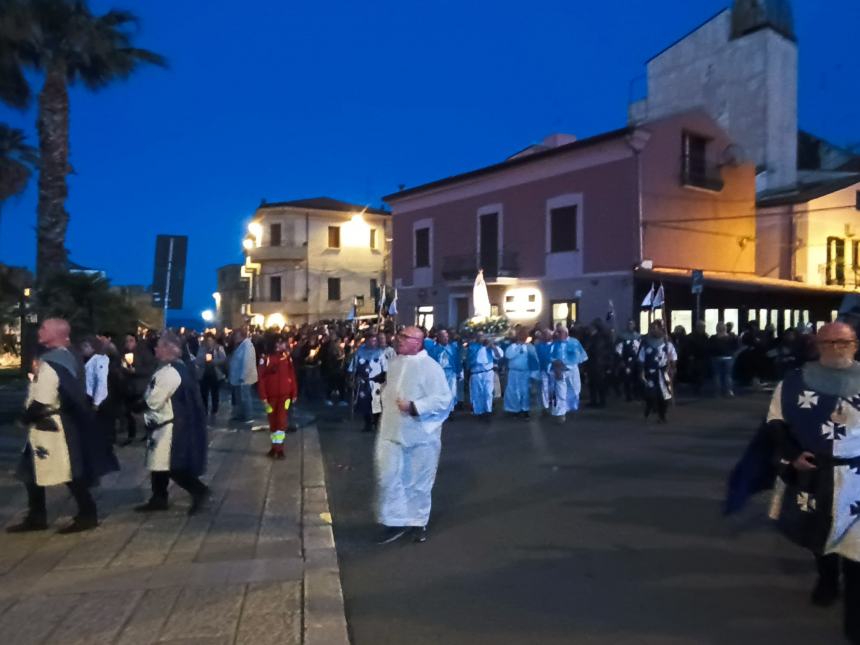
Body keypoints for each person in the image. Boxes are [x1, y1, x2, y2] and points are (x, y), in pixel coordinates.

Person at [764, 322, 860, 644]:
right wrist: (792, 455)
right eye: (829, 341)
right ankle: (827, 579)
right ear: (817, 345)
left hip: (857, 476)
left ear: (855, 345)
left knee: (858, 550)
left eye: (843, 342)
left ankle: (855, 619)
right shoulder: (793, 384)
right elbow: (776, 423)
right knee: (821, 535)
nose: (836, 347)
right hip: (816, 472)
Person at [8, 319, 118, 534]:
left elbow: (43, 398)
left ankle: (87, 514)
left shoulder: (51, 363)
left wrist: (24, 418)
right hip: (56, 423)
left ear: (57, 333)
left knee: (69, 471)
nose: (39, 331)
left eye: (44, 328)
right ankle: (36, 516)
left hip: (50, 426)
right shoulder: (70, 355)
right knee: (30, 472)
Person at [375, 326, 452, 544]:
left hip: (420, 434)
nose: (398, 340)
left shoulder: (430, 367)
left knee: (417, 481)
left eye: (404, 337)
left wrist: (415, 406)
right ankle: (395, 520)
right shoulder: (395, 363)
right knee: (390, 476)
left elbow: (444, 400)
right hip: (392, 431)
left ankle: (417, 522)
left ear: (418, 342)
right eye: (399, 336)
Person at [135, 332, 210, 515]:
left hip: (170, 426)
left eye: (160, 346)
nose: (156, 349)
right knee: (158, 463)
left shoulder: (170, 372)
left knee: (171, 465)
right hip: (166, 423)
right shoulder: (177, 368)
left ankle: (198, 490)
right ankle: (158, 497)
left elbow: (154, 400)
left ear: (170, 348)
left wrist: (136, 407)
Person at [257, 335, 298, 457]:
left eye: (283, 343)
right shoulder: (266, 359)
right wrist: (263, 397)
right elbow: (261, 379)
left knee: (281, 421)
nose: (283, 345)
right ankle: (275, 447)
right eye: (280, 343)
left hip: (285, 397)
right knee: (273, 422)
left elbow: (292, 376)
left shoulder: (287, 358)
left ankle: (279, 448)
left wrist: (294, 393)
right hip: (270, 398)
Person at [638, 321, 677, 422]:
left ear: (660, 329)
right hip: (650, 372)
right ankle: (649, 406)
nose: (653, 330)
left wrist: (672, 367)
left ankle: (662, 414)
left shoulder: (667, 343)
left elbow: (673, 357)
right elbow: (641, 358)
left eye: (656, 328)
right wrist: (641, 370)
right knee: (650, 393)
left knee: (664, 395)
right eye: (652, 328)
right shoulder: (646, 343)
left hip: (664, 372)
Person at [121, 332, 156, 445]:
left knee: (141, 412)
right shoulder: (124, 353)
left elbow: (150, 369)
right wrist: (124, 368)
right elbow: (122, 367)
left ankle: (149, 433)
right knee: (128, 412)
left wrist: (136, 371)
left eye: (131, 340)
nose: (128, 343)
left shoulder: (144, 352)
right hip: (128, 387)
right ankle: (131, 435)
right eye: (126, 341)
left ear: (136, 341)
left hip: (140, 386)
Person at [348, 333, 387, 433]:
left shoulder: (380, 353)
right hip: (363, 382)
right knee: (364, 404)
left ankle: (376, 423)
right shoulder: (359, 353)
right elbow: (353, 368)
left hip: (376, 382)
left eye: (374, 341)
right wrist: (351, 379)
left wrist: (384, 379)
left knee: (376, 403)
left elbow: (385, 368)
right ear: (366, 341)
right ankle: (368, 424)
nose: (372, 343)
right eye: (370, 340)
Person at [549, 327, 589, 416]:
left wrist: (567, 364)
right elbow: (550, 355)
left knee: (574, 388)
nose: (558, 334)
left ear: (566, 334)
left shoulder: (574, 342)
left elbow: (579, 355)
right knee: (560, 390)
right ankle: (561, 411)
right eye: (557, 333)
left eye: (560, 333)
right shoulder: (555, 344)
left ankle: (572, 405)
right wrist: (555, 363)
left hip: (572, 369)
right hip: (560, 370)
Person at [503, 328, 539, 418]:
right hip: (514, 373)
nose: (522, 337)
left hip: (525, 372)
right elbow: (508, 355)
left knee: (525, 391)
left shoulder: (530, 347)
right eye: (520, 335)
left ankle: (525, 409)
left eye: (524, 335)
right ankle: (514, 410)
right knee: (513, 391)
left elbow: (535, 360)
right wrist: (519, 347)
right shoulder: (512, 346)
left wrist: (534, 374)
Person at [424, 329, 461, 414]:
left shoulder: (452, 348)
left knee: (451, 392)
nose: (446, 338)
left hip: (451, 372)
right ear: (439, 338)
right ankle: (441, 410)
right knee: (441, 392)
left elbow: (456, 359)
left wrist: (459, 371)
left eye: (447, 336)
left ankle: (450, 410)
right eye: (444, 337)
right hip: (440, 373)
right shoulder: (433, 349)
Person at [467, 332, 500, 419]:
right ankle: (479, 412)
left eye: (483, 336)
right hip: (476, 373)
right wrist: (484, 347)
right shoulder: (472, 347)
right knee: (477, 393)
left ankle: (488, 411)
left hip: (488, 372)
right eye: (479, 336)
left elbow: (498, 355)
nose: (481, 338)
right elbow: (472, 358)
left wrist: (492, 347)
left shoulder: (490, 347)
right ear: (476, 338)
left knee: (488, 392)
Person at [229, 328, 258, 423]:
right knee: (239, 397)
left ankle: (248, 416)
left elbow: (247, 362)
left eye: (236, 335)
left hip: (244, 377)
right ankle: (240, 414)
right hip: (237, 376)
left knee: (245, 397)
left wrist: (243, 376)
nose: (234, 338)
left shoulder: (247, 346)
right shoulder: (240, 345)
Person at [196, 332, 226, 416]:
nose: (209, 342)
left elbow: (223, 359)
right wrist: (203, 360)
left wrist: (214, 362)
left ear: (213, 340)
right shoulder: (202, 348)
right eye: (207, 340)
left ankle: (214, 409)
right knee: (204, 393)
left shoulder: (218, 348)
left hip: (215, 374)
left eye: (210, 340)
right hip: (204, 374)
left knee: (215, 393)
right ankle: (204, 409)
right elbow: (198, 360)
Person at [616, 320, 641, 402]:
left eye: (632, 324)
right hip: (626, 359)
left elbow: (640, 348)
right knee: (627, 378)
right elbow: (618, 348)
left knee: (636, 378)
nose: (630, 326)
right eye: (629, 324)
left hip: (636, 360)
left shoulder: (638, 336)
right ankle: (628, 395)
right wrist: (620, 359)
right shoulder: (622, 336)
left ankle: (636, 394)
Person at [709, 322, 736, 397]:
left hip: (716, 358)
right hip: (728, 358)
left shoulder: (713, 338)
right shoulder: (731, 337)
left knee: (717, 375)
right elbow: (735, 347)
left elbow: (709, 348)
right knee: (728, 375)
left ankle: (718, 392)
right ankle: (729, 391)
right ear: (725, 328)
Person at [534, 329, 554, 414]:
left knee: (553, 388)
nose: (545, 336)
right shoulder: (538, 346)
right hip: (542, 370)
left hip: (553, 370)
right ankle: (545, 407)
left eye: (547, 334)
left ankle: (554, 405)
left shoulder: (555, 345)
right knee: (544, 388)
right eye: (544, 334)